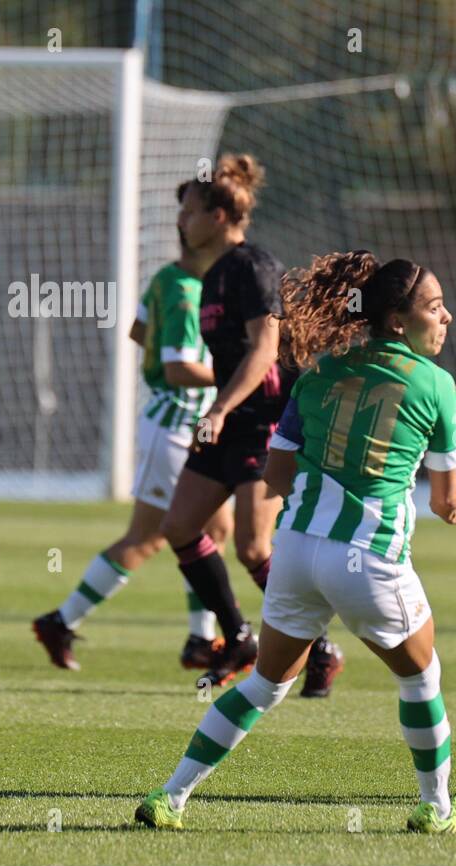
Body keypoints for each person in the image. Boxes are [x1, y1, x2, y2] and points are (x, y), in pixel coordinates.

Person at [135, 250, 456, 834]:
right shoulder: (436, 384)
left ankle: (170, 797)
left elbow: (276, 475)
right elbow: (445, 500)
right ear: (397, 321)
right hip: (369, 559)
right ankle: (437, 809)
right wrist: (447, 508)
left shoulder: (320, 369)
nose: (446, 318)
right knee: (421, 679)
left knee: (265, 684)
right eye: (435, 308)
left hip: (295, 552)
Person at [159, 153, 345, 692]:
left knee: (254, 547)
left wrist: (218, 408)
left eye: (189, 212)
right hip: (231, 418)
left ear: (219, 216)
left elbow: (266, 349)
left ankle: (320, 650)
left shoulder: (253, 266)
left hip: (265, 420)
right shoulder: (212, 275)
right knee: (179, 527)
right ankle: (238, 635)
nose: (181, 222)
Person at [32, 183, 233, 672]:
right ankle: (62, 620)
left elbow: (138, 331)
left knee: (213, 529)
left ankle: (199, 639)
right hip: (176, 422)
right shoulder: (187, 294)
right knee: (149, 538)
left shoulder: (167, 278)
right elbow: (181, 369)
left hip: (182, 421)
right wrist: (236, 369)